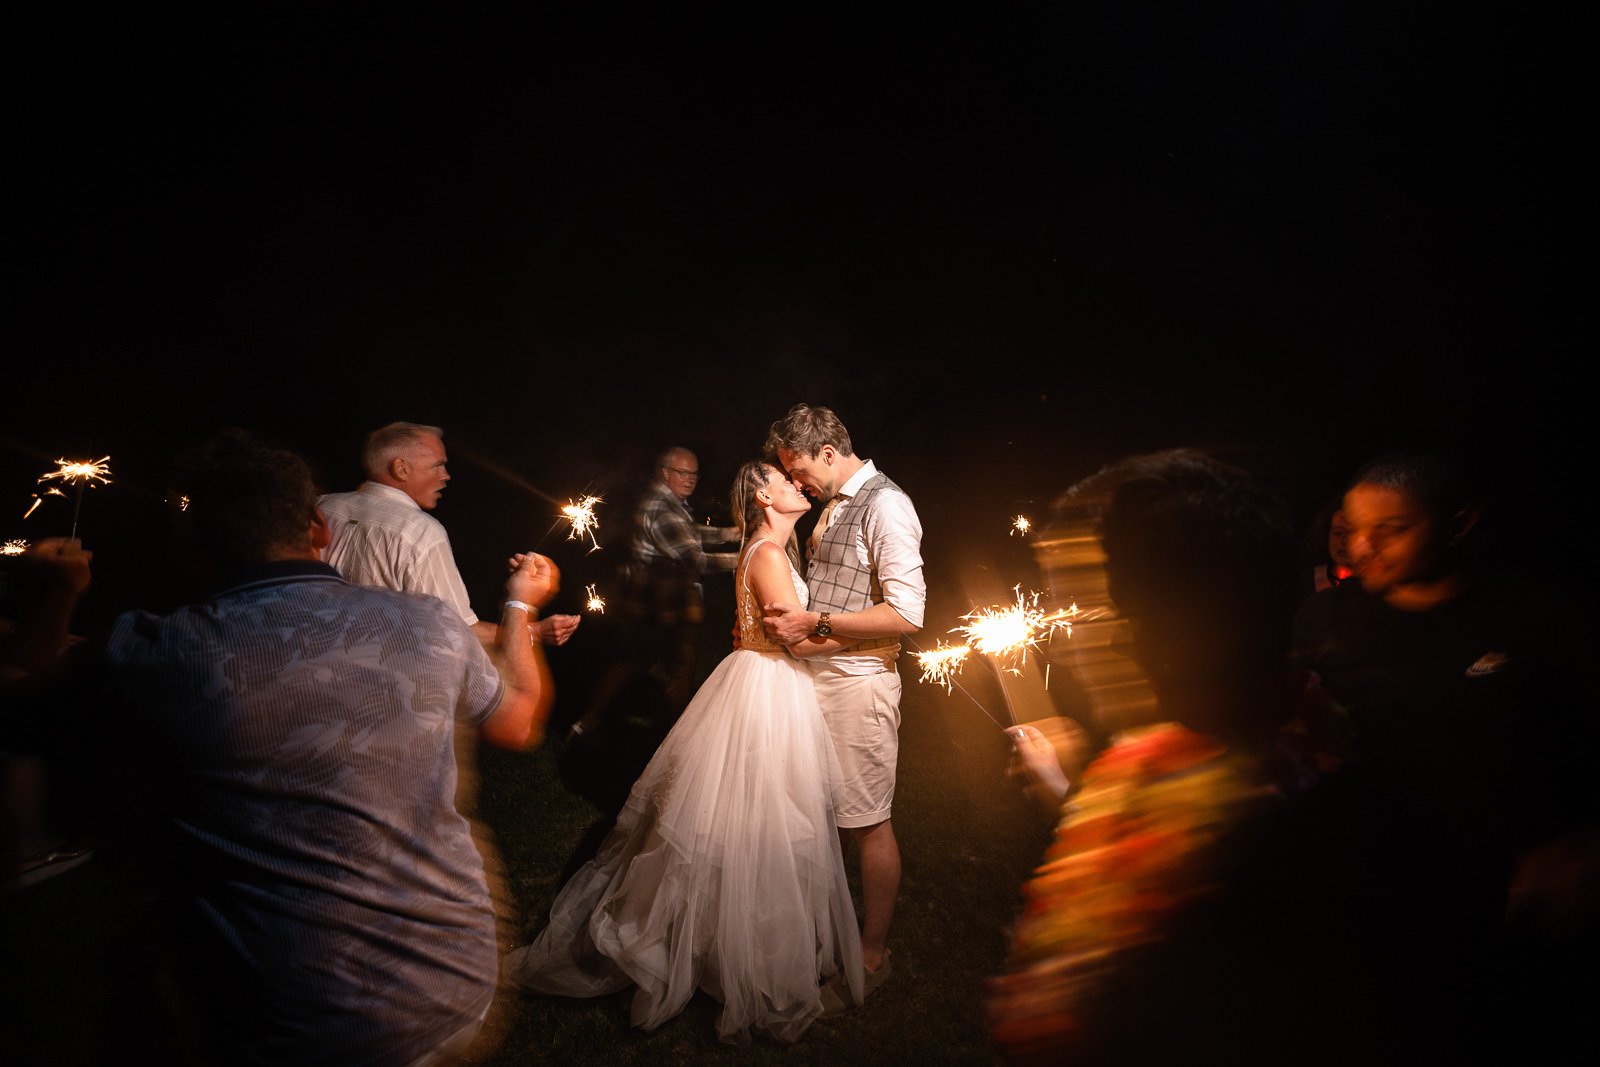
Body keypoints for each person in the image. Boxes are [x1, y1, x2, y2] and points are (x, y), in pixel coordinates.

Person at [991, 450, 1494, 1063]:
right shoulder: (1286, 734)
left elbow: (1082, 1016)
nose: (1083, 644)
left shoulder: (1267, 842)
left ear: (1170, 626)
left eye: (1106, 608)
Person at [96, 432, 559, 1065]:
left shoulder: (163, 652)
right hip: (439, 985)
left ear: (195, 545)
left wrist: (52, 594)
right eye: (439, 462)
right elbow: (517, 722)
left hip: (271, 1001)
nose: (449, 472)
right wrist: (520, 606)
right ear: (317, 529)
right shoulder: (426, 618)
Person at [503, 460, 863, 1045]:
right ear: (763, 497)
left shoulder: (770, 549)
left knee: (754, 819)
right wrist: (869, 634)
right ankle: (735, 953)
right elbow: (793, 637)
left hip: (769, 684)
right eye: (783, 479)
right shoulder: (769, 555)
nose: (797, 485)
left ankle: (732, 942)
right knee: (759, 817)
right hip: (767, 688)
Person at [762, 404, 924, 993]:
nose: (795, 482)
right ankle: (822, 938)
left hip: (861, 687)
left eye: (797, 469)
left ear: (828, 453)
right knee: (819, 819)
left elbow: (908, 612)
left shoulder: (887, 505)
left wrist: (816, 626)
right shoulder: (833, 505)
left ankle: (873, 957)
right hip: (820, 680)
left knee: (867, 824)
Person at [319, 421, 579, 647]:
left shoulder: (319, 507)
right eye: (437, 465)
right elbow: (458, 634)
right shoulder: (420, 532)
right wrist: (534, 628)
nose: (446, 476)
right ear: (401, 468)